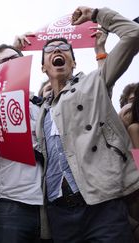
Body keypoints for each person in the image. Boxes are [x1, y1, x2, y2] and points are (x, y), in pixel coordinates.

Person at [36, 6, 139, 242]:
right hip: (59, 212)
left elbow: (134, 35)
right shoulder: (40, 110)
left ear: (73, 62)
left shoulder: (95, 83)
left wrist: (96, 14)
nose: (57, 51)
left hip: (101, 205)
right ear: (43, 67)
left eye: (64, 49)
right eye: (50, 50)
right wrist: (16, 49)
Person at [0, 44, 45, 243]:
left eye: (15, 58)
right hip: (10, 204)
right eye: (3, 62)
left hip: (49, 205)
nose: (11, 64)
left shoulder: (42, 105)